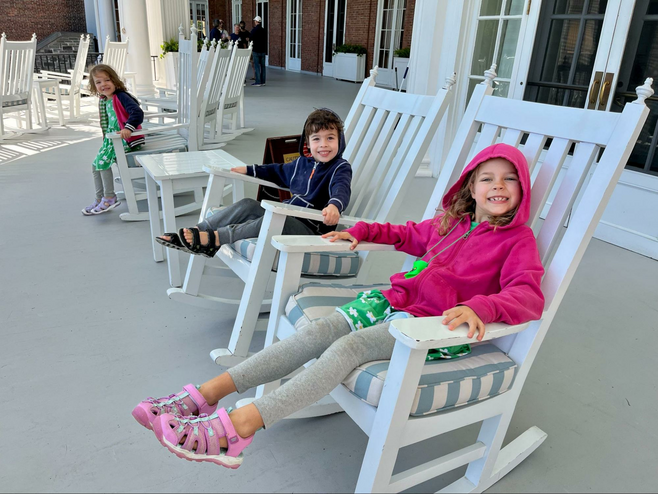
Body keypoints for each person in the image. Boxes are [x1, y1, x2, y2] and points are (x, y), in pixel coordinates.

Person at [132, 143, 545, 468]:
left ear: (521, 191)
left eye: (510, 180)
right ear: (470, 188)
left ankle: (238, 429)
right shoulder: (451, 224)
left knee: (347, 349)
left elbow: (528, 294)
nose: (498, 186)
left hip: (433, 327)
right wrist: (360, 230)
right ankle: (204, 396)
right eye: (487, 178)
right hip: (393, 301)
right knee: (319, 331)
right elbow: (403, 233)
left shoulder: (517, 241)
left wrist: (483, 309)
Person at [155, 108, 351, 257]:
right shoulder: (302, 164)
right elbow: (276, 171)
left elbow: (341, 189)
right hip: (285, 216)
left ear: (339, 141)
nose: (324, 144)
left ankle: (215, 239)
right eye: (317, 139)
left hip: (310, 230)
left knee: (268, 220)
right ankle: (199, 230)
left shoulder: (340, 168)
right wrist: (250, 170)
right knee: (248, 204)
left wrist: (334, 205)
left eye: (330, 138)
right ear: (308, 143)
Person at [82, 64, 144, 215]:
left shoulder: (121, 96)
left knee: (102, 163)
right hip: (111, 140)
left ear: (115, 81)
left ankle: (109, 197)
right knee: (95, 165)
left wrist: (128, 128)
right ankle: (100, 198)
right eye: (98, 82)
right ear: (94, 86)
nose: (103, 84)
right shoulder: (105, 100)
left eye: (107, 80)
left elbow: (137, 112)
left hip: (124, 139)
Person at [250, 15, 267, 86]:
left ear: (256, 22)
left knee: (257, 66)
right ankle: (263, 81)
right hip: (263, 50)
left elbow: (250, 38)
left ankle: (258, 81)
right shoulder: (263, 30)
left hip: (256, 50)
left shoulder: (254, 30)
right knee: (263, 66)